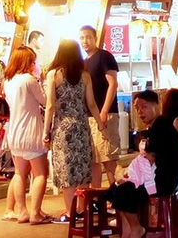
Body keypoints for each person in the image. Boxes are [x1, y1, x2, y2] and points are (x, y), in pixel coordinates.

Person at [42, 39, 106, 224]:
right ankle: (82, 210)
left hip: (63, 128)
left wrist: (46, 131)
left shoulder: (53, 75)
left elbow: (50, 106)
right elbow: (91, 104)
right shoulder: (85, 75)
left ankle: (70, 214)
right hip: (81, 127)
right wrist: (101, 127)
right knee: (82, 168)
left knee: (66, 170)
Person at [108, 90, 178, 238]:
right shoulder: (156, 126)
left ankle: (136, 228)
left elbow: (149, 160)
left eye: (144, 107)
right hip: (156, 177)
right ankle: (127, 229)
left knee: (124, 191)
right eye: (137, 108)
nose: (140, 111)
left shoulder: (160, 126)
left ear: (156, 105)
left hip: (162, 181)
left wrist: (131, 177)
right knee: (115, 190)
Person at [2, 46, 51, 225]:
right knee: (40, 175)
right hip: (30, 131)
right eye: (33, 61)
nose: (34, 64)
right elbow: (46, 101)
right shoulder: (29, 80)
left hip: (14, 132)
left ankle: (22, 211)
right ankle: (35, 213)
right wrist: (43, 81)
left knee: (19, 173)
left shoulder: (8, 81)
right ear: (27, 62)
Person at [79, 25, 121, 189]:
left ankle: (119, 194)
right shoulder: (84, 62)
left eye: (88, 37)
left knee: (108, 157)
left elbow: (113, 84)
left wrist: (103, 112)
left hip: (105, 114)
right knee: (94, 158)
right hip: (89, 116)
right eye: (82, 38)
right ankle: (97, 198)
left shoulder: (104, 56)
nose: (85, 41)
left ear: (95, 38)